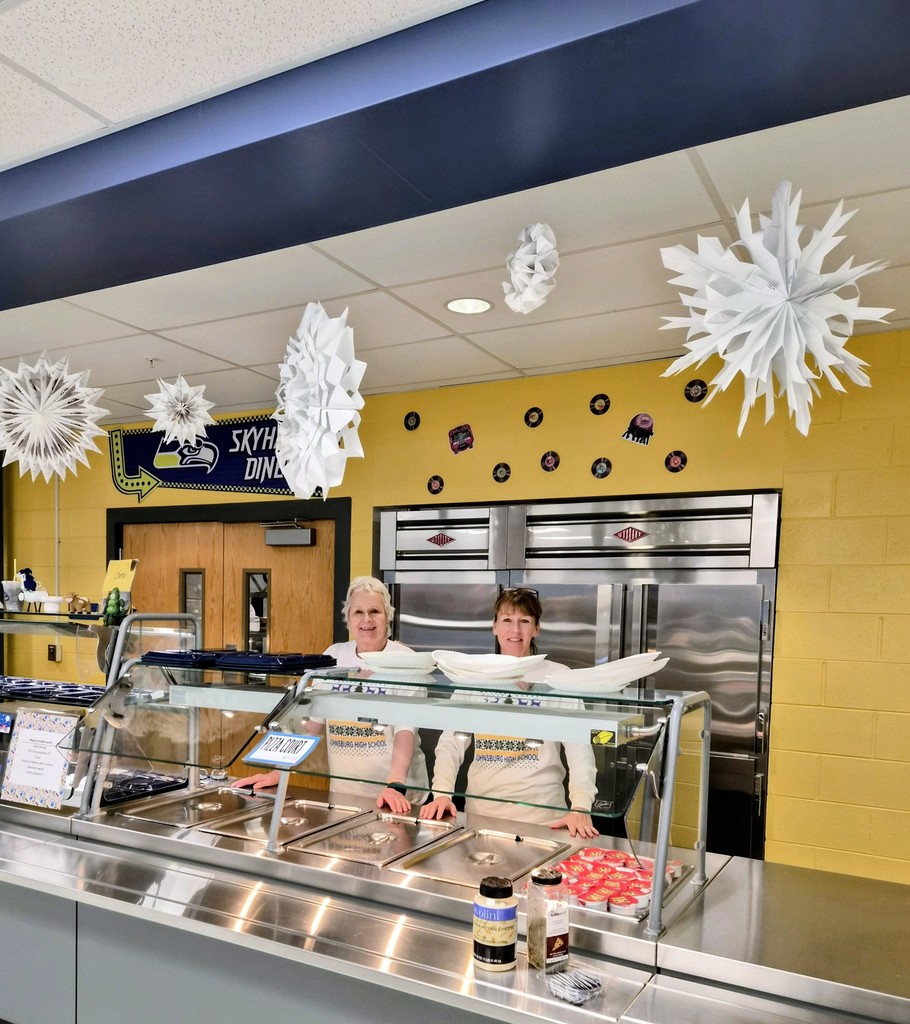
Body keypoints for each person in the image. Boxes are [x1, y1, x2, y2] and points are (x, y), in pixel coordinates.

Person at [234, 576, 428, 813]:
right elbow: (313, 725)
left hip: (398, 798)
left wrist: (395, 785)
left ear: (387, 616)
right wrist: (280, 770)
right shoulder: (334, 656)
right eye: (358, 612)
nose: (366, 619)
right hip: (344, 792)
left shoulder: (406, 661)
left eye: (375, 611)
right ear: (348, 618)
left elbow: (405, 731)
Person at [420, 588, 599, 839]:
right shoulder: (475, 676)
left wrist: (581, 805)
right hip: (481, 814)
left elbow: (579, 749)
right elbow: (451, 743)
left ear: (536, 628)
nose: (515, 631)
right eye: (507, 620)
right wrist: (441, 793)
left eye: (524, 621)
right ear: (494, 627)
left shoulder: (558, 678)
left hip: (543, 818)